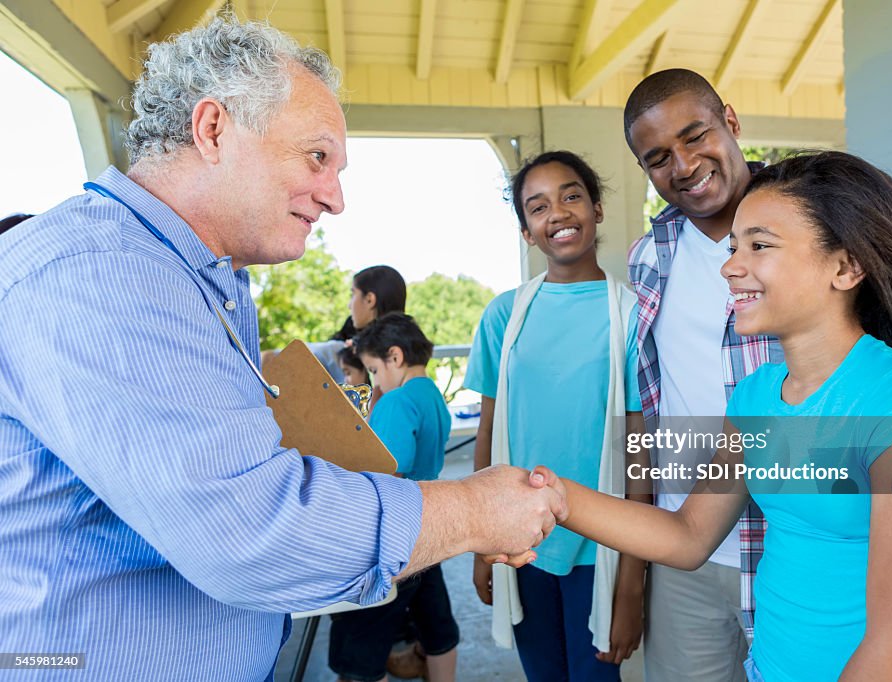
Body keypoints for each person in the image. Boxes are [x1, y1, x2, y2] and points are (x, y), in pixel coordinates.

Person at [0, 19, 563, 682]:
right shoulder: (99, 273)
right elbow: (250, 531)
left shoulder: (207, 279)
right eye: (317, 157)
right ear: (212, 130)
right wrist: (472, 510)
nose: (335, 197)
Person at [532, 149, 892, 680]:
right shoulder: (755, 398)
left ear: (846, 265)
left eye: (759, 246)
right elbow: (689, 534)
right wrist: (553, 496)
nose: (730, 266)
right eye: (734, 246)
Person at [621, 68, 892, 681]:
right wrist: (623, 574)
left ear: (731, 122)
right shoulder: (647, 259)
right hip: (695, 549)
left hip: (793, 545)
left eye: (695, 136)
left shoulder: (819, 211)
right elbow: (646, 409)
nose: (684, 165)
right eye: (658, 157)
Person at [465, 151, 649, 681]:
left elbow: (639, 450)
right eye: (538, 206)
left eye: (571, 196)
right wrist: (481, 541)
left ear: (596, 207)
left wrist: (633, 579)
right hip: (521, 541)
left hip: (602, 546)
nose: (559, 213)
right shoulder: (504, 315)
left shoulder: (631, 314)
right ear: (528, 232)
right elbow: (488, 433)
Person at [329, 313, 459, 682]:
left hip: (396, 533)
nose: (373, 380)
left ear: (395, 357)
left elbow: (385, 471)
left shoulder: (397, 402)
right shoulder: (432, 393)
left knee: (367, 634)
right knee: (436, 625)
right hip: (429, 523)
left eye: (372, 369)